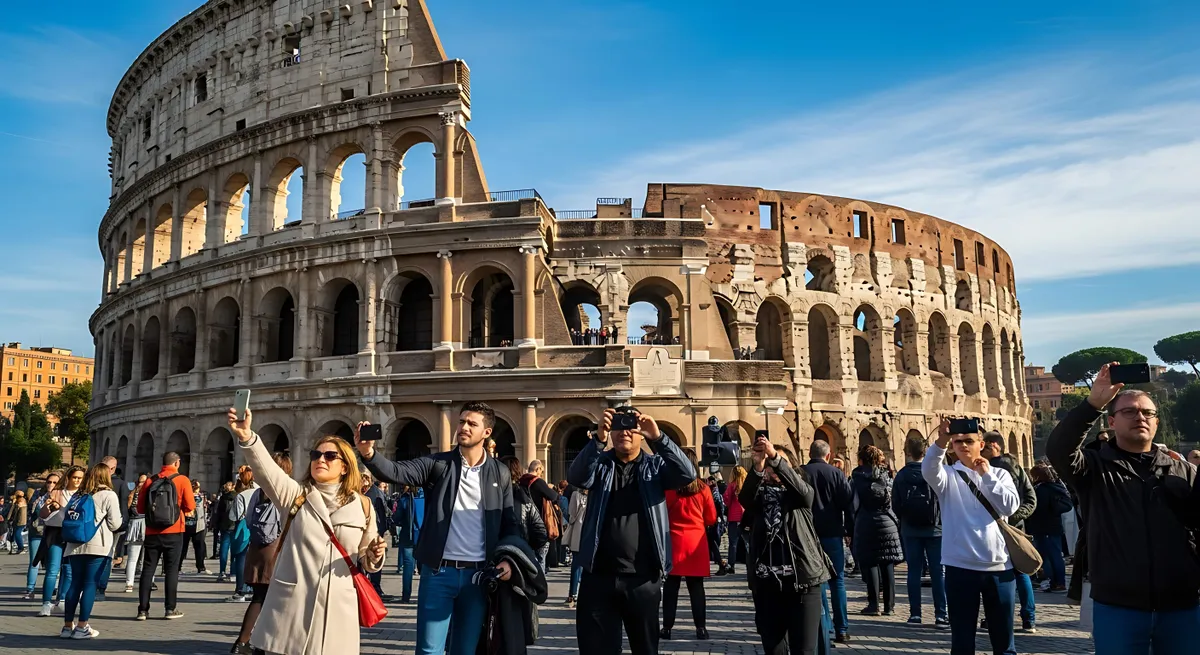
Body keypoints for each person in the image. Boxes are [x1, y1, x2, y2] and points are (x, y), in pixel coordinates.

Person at [1047, 364, 1200, 655]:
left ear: (1156, 423)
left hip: (1182, 604)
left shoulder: (1184, 471)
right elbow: (1059, 449)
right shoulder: (1092, 468)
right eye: (1129, 411)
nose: (1140, 417)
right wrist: (1093, 403)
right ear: (1112, 422)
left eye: (1147, 413)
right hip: (1118, 606)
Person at [353, 402, 520, 655]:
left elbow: (510, 522)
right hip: (439, 574)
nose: (463, 427)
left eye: (472, 423)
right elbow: (396, 472)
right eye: (462, 421)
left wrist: (508, 559)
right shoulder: (438, 464)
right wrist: (369, 455)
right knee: (429, 650)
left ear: (486, 433)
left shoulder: (500, 473)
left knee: (464, 650)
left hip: (478, 576)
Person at [227, 409, 386, 655]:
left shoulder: (362, 505)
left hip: (337, 609)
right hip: (293, 606)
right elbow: (266, 471)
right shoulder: (295, 495)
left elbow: (366, 558)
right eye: (316, 454)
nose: (321, 459)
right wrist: (248, 437)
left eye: (330, 456)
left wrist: (375, 555)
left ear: (345, 466)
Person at [568, 407, 696, 655]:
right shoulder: (600, 465)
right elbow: (577, 476)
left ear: (641, 433)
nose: (623, 431)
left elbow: (687, 474)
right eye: (617, 425)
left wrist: (658, 438)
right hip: (598, 577)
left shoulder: (655, 467)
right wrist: (598, 440)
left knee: (645, 648)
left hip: (643, 578)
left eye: (631, 425)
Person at [923, 418, 1021, 655]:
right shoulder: (947, 476)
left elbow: (1010, 507)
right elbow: (928, 468)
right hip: (960, 567)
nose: (963, 446)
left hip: (999, 567)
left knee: (1004, 641)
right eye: (957, 442)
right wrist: (942, 440)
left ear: (981, 444)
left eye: (968, 441)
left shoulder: (999, 474)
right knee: (962, 640)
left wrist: (987, 476)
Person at [741, 437, 831, 654]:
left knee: (804, 650)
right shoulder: (759, 497)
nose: (773, 468)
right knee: (774, 649)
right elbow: (744, 499)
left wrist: (775, 457)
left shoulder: (801, 494)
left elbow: (804, 493)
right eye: (770, 464)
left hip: (802, 583)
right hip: (767, 586)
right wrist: (758, 466)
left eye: (778, 462)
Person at [232, 452, 293, 655]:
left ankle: (248, 642)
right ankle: (251, 643)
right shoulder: (282, 493)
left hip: (256, 548)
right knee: (271, 600)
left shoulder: (258, 492)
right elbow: (286, 524)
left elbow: (248, 519)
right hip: (274, 550)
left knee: (259, 597)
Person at [981, 431, 1038, 633]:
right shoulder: (1018, 467)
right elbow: (1031, 499)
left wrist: (1009, 518)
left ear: (995, 446)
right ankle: (1028, 619)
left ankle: (994, 617)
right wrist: (1018, 518)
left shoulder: (994, 469)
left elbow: (1029, 499)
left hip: (998, 528)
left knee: (996, 573)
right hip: (1014, 527)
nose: (981, 450)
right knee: (1021, 573)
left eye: (985, 446)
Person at [58, 462, 123, 640]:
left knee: (74, 584)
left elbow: (66, 516)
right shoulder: (108, 495)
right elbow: (115, 524)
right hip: (98, 545)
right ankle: (82, 626)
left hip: (74, 544)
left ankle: (66, 626)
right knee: (90, 585)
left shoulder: (79, 495)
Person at [891, 434, 948, 629]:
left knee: (913, 571)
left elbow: (895, 504)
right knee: (938, 572)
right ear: (925, 452)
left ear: (907, 452)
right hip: (935, 529)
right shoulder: (933, 472)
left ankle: (915, 614)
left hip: (910, 529)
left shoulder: (901, 475)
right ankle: (941, 614)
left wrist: (906, 518)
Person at [660, 448, 717, 641]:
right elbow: (711, 518)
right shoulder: (703, 488)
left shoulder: (669, 488)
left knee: (671, 587)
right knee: (696, 588)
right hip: (696, 543)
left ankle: (667, 627)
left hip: (674, 541)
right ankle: (701, 628)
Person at [802, 440, 854, 643]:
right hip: (833, 531)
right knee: (837, 581)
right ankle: (842, 628)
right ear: (829, 455)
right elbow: (848, 504)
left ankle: (823, 626)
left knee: (817, 582)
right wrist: (849, 529)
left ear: (809, 453)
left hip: (808, 534)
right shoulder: (836, 474)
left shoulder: (802, 472)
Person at [135, 451, 195, 621]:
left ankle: (143, 610)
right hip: (174, 530)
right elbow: (190, 505)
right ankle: (170, 609)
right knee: (171, 570)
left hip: (152, 531)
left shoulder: (150, 480)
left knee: (148, 570)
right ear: (177, 463)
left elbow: (140, 509)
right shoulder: (182, 480)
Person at [850, 445, 902, 617]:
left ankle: (874, 605)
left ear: (861, 459)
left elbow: (854, 503)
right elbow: (892, 499)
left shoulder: (856, 477)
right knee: (887, 563)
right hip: (887, 522)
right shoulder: (887, 475)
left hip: (866, 522)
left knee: (870, 562)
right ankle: (890, 606)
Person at [39, 465, 85, 615]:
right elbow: (43, 515)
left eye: (80, 478)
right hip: (56, 531)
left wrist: (63, 508)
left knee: (69, 570)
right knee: (53, 569)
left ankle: (63, 600)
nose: (77, 481)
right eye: (75, 478)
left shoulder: (83, 494)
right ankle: (46, 603)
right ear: (68, 478)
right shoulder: (58, 492)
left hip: (72, 532)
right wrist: (49, 506)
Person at [1025, 463, 1071, 593]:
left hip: (1042, 527)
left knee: (1048, 556)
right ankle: (1058, 582)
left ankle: (1055, 582)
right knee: (1056, 554)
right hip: (1054, 526)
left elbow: (1038, 509)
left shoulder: (1041, 490)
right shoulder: (1055, 487)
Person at [97, 456, 132, 600]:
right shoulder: (121, 484)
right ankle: (100, 588)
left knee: (104, 556)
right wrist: (123, 523)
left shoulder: (93, 483)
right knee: (107, 556)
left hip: (103, 525)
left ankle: (98, 587)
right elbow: (124, 507)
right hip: (113, 525)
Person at [501, 456, 549, 554]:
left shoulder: (490, 495)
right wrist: (527, 548)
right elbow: (540, 531)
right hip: (520, 550)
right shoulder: (523, 494)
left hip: (496, 552)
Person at [24, 471, 59, 600]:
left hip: (53, 532)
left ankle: (53, 588)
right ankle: (30, 589)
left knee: (52, 562)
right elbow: (33, 510)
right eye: (49, 482)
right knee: (34, 561)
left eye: (55, 482)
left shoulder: (62, 494)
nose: (51, 484)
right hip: (37, 530)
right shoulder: (39, 494)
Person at [519, 460, 561, 569]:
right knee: (540, 558)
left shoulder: (521, 481)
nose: (541, 474)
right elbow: (553, 496)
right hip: (538, 522)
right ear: (537, 469)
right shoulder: (538, 482)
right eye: (541, 471)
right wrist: (549, 487)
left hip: (523, 521)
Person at [226, 468, 258, 602]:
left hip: (244, 528)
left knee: (241, 558)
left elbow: (236, 516)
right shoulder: (259, 492)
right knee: (254, 560)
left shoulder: (241, 496)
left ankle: (240, 590)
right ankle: (252, 589)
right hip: (259, 527)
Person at [360, 472, 392, 601]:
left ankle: (373, 588)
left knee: (372, 559)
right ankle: (374, 588)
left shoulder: (370, 495)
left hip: (374, 531)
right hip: (378, 529)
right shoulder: (375, 493)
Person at [391, 484, 424, 604]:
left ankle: (406, 596)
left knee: (408, 568)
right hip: (424, 538)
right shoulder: (427, 498)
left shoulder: (405, 499)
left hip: (407, 537)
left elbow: (397, 517)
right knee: (425, 569)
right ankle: (424, 596)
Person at [562, 487, 588, 608]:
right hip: (590, 532)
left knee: (576, 564)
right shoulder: (595, 493)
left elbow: (571, 515)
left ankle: (573, 594)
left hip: (578, 531)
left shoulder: (576, 494)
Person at [122, 473, 148, 593]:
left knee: (143, 558)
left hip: (137, 524)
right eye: (141, 481)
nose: (142, 484)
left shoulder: (133, 494)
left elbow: (129, 510)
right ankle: (130, 583)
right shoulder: (149, 494)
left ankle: (131, 583)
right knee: (135, 558)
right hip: (143, 525)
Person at [180, 480, 210, 575]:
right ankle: (200, 567)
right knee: (197, 547)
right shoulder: (197, 497)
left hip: (192, 524)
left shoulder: (190, 496)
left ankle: (179, 567)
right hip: (194, 524)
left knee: (188, 547)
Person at [721, 466, 747, 576]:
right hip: (746, 517)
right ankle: (752, 563)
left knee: (733, 544)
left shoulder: (732, 486)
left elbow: (726, 500)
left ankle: (731, 565)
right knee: (748, 543)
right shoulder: (747, 485)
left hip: (734, 517)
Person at [215, 481, 237, 583]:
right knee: (234, 550)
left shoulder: (223, 497)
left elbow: (218, 512)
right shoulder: (238, 496)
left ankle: (222, 571)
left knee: (224, 548)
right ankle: (233, 572)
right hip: (235, 525)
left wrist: (217, 524)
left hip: (224, 525)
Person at [8, 490, 28, 555]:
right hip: (19, 521)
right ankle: (16, 547)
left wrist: (13, 504)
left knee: (17, 534)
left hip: (20, 521)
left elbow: (13, 512)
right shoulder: (22, 501)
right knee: (14, 533)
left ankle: (21, 548)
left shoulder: (20, 502)